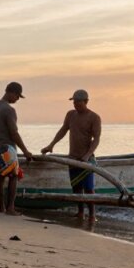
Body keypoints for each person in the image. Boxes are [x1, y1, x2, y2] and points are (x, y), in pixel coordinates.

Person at [41, 89, 102, 221]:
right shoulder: (71, 115)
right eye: (74, 102)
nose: (75, 105)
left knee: (89, 189)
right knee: (76, 187)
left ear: (86, 102)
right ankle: (80, 212)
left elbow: (96, 139)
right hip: (73, 157)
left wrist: (87, 155)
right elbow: (63, 130)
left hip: (86, 159)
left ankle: (92, 215)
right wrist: (51, 145)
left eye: (78, 102)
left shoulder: (94, 117)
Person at [0, 82, 34, 215]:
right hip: (7, 148)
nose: (18, 99)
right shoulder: (9, 110)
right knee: (13, 176)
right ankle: (10, 208)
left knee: (0, 177)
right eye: (17, 96)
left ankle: (1, 207)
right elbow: (14, 133)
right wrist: (25, 151)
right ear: (11, 92)